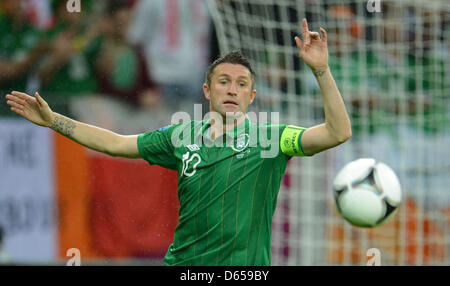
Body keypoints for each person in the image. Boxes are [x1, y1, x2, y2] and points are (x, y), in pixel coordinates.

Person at [5, 19, 351, 266]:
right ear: (207, 91)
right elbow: (115, 143)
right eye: (224, 82)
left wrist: (321, 72)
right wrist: (55, 121)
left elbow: (337, 132)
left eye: (241, 84)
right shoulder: (181, 136)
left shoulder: (273, 138)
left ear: (251, 95)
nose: (232, 89)